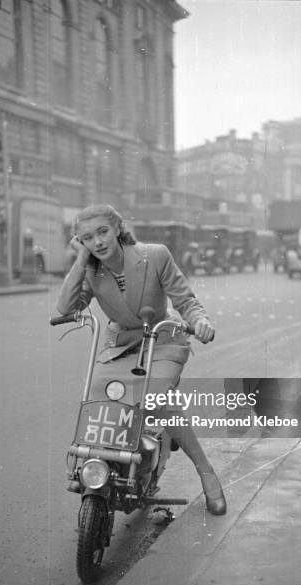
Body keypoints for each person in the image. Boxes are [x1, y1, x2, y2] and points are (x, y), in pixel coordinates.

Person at [56, 204, 226, 516]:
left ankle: (206, 472)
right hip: (122, 345)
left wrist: (200, 321)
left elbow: (185, 300)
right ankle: (107, 469)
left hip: (162, 338)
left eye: (103, 232)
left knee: (153, 399)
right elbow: (66, 308)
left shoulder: (156, 255)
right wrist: (81, 259)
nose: (98, 242)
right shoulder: (91, 269)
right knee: (99, 398)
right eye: (87, 238)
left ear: (118, 228)